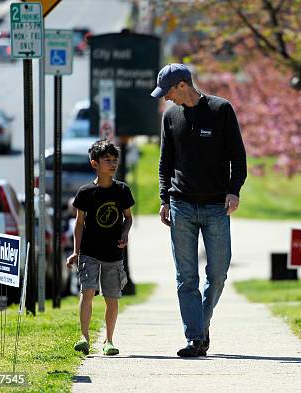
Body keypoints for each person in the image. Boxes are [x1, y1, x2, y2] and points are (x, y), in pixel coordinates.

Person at [151, 63, 247, 357]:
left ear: (181, 85)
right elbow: (165, 164)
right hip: (181, 205)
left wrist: (234, 190)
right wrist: (164, 199)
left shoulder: (221, 110)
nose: (165, 99)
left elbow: (238, 158)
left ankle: (199, 325)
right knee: (186, 278)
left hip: (216, 206)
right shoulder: (170, 117)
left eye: (167, 92)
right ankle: (195, 338)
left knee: (218, 274)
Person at [66, 139, 135, 356]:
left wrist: (124, 234)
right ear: (94, 163)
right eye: (107, 160)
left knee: (111, 297)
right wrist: (76, 251)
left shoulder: (122, 190)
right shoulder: (86, 192)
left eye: (115, 160)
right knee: (87, 292)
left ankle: (109, 340)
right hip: (89, 251)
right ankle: (84, 337)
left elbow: (128, 219)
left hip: (114, 253)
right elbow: (78, 224)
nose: (113, 164)